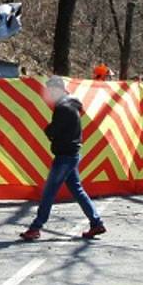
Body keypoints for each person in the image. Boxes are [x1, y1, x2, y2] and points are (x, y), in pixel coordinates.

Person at [20, 77, 106, 241]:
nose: (49, 93)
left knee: (49, 193)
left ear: (58, 90)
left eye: (51, 90)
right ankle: (96, 223)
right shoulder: (72, 104)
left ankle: (36, 227)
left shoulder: (62, 107)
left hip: (64, 156)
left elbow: (53, 130)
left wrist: (49, 131)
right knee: (77, 191)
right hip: (72, 154)